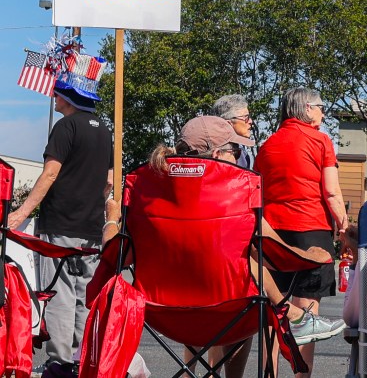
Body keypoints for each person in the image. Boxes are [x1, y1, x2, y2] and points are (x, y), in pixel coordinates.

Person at [103, 116, 345, 378]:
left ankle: (293, 316)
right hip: (230, 315)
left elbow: (115, 256)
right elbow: (275, 255)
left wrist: (112, 220)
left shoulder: (146, 192)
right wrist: (311, 256)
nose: (239, 158)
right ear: (218, 153)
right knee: (248, 276)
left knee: (244, 269)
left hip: (160, 314)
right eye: (236, 151)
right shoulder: (238, 192)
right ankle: (294, 317)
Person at [8, 81, 113, 378]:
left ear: (68, 97)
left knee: (59, 292)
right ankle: (83, 360)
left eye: (57, 93)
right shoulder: (104, 130)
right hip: (92, 225)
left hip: (61, 222)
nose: (53, 97)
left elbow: (50, 173)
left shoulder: (66, 128)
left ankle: (60, 362)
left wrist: (22, 212)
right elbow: (108, 181)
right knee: (85, 294)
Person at [254, 88, 348, 378]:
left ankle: (270, 374)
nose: (323, 113)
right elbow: (331, 192)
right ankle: (301, 376)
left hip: (271, 234)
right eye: (321, 107)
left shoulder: (267, 145)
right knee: (307, 313)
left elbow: (258, 190)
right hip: (311, 231)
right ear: (307, 108)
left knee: (273, 312)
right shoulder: (321, 141)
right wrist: (344, 226)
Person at [212, 94, 254, 168]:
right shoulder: (216, 151)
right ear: (228, 123)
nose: (250, 121)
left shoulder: (242, 151)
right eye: (246, 118)